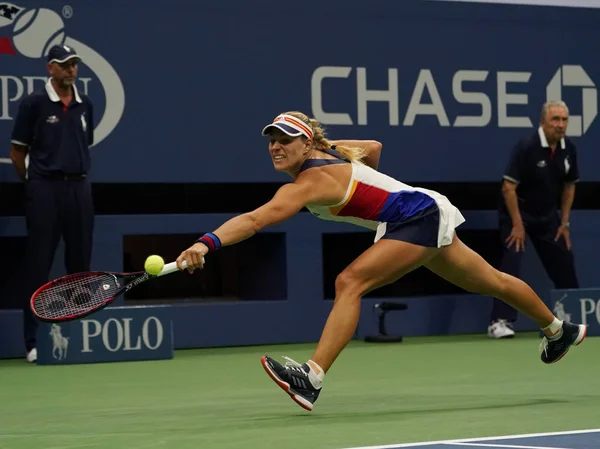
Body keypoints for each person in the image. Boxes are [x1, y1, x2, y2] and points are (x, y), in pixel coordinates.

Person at [175, 111, 587, 411]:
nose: (276, 147)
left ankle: (311, 379)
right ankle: (558, 330)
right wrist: (338, 153)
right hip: (419, 212)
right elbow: (373, 149)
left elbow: (254, 219)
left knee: (348, 282)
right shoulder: (330, 157)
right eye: (271, 140)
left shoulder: (310, 181)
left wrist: (206, 244)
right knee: (492, 281)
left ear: (305, 144)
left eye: (285, 139)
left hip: (418, 217)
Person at [9, 45, 95, 363]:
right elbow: (18, 153)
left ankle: (78, 338)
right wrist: (36, 183)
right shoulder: (33, 103)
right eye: (64, 64)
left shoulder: (86, 104)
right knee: (38, 266)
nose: (70, 69)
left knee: (80, 267)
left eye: (74, 64)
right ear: (50, 69)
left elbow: (83, 145)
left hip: (79, 189)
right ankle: (33, 343)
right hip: (44, 190)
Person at [488, 101, 580, 339]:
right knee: (512, 260)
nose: (560, 125)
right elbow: (509, 187)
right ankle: (499, 322)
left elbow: (569, 187)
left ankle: (571, 318)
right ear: (543, 122)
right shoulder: (526, 147)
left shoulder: (568, 148)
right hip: (517, 212)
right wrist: (517, 225)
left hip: (548, 216)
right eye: (555, 120)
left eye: (564, 120)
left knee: (564, 261)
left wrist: (565, 223)